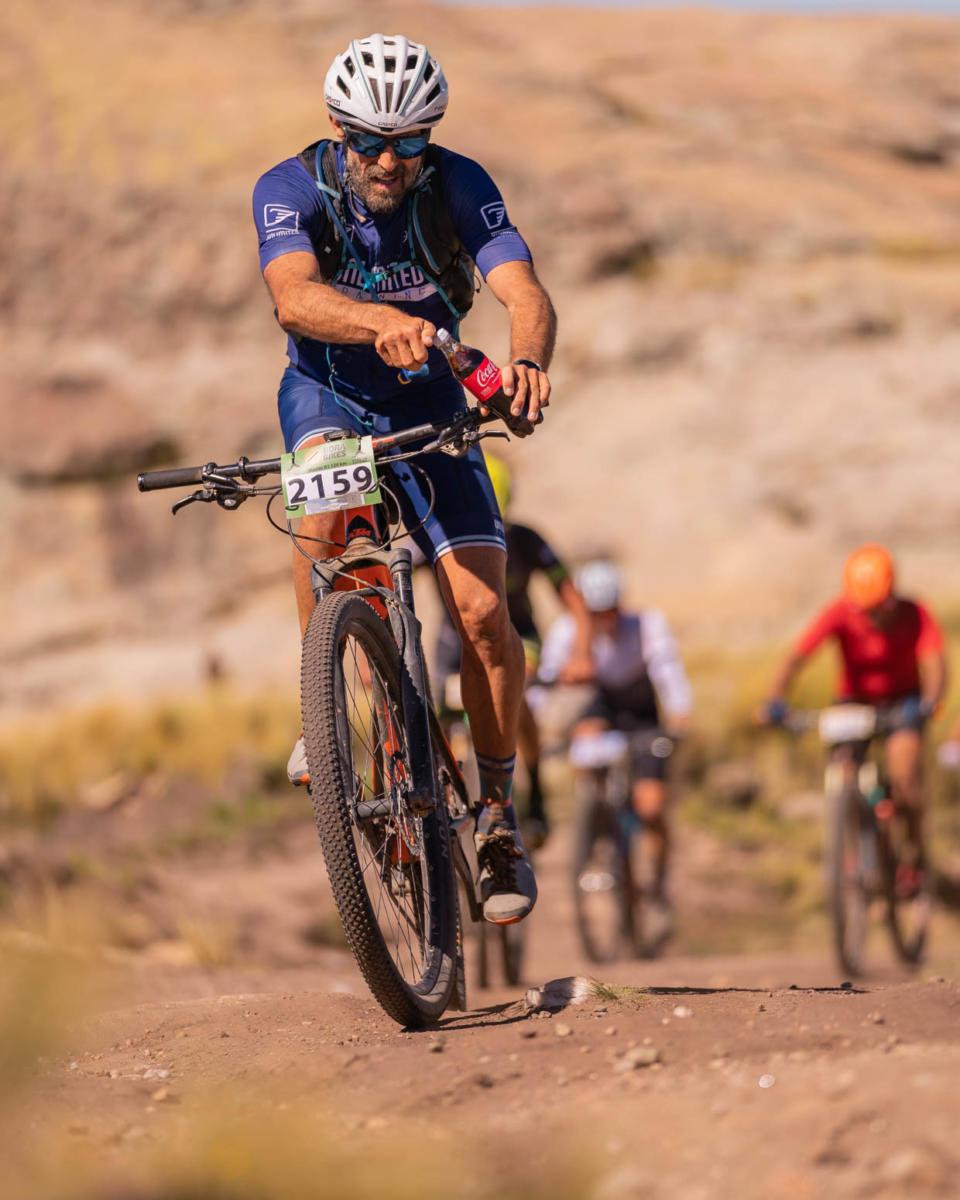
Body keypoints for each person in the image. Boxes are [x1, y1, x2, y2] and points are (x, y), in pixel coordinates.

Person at [252, 34, 557, 924]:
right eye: (370, 142)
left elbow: (524, 291)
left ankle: (497, 817)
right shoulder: (289, 187)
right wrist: (377, 319)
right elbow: (292, 295)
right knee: (320, 524)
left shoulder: (459, 183)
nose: (390, 161)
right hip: (328, 393)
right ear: (337, 128)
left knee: (484, 613)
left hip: (434, 400)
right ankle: (323, 716)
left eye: (411, 141)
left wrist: (527, 363)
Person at [761, 544, 948, 890]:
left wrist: (931, 700)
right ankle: (854, 845)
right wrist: (774, 698)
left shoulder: (915, 613)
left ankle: (913, 856)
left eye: (878, 608)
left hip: (904, 702)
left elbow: (935, 661)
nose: (871, 616)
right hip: (854, 702)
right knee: (844, 769)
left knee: (904, 777)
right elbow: (796, 657)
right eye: (865, 608)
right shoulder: (840, 612)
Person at [431, 453, 593, 845]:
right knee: (439, 717)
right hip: (453, 643)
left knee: (515, 697)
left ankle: (534, 789)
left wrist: (582, 655)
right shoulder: (439, 536)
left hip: (521, 636)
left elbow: (574, 600)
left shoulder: (527, 539)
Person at [539, 559, 693, 921]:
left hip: (641, 716)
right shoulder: (566, 632)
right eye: (596, 612)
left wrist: (680, 712)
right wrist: (547, 724)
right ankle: (596, 834)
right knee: (587, 761)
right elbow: (546, 681)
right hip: (597, 710)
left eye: (610, 610)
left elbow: (667, 669)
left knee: (651, 807)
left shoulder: (647, 625)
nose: (604, 619)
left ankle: (657, 883)